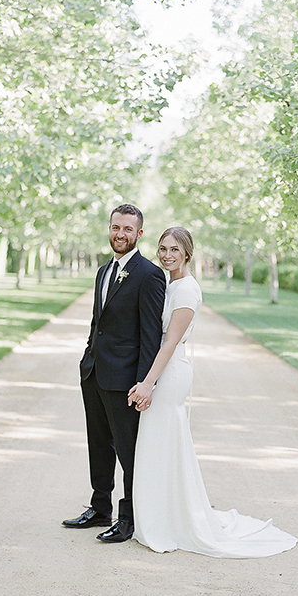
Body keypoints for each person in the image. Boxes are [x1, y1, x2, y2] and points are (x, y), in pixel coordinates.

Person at [128, 227, 298, 558]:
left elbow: (170, 341)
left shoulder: (187, 290)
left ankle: (169, 523)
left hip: (171, 372)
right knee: (159, 445)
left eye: (174, 250)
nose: (167, 255)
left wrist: (148, 382)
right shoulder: (170, 283)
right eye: (162, 249)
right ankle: (160, 516)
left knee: (162, 442)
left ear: (187, 253)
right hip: (165, 369)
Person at [62, 204, 166, 543]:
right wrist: (86, 358)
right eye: (115, 227)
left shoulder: (149, 274)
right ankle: (99, 507)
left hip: (125, 381)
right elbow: (99, 323)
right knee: (98, 444)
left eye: (127, 229)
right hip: (93, 372)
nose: (120, 234)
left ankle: (128, 517)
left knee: (128, 451)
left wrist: (144, 384)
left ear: (139, 234)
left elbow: (150, 336)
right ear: (110, 228)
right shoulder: (104, 270)